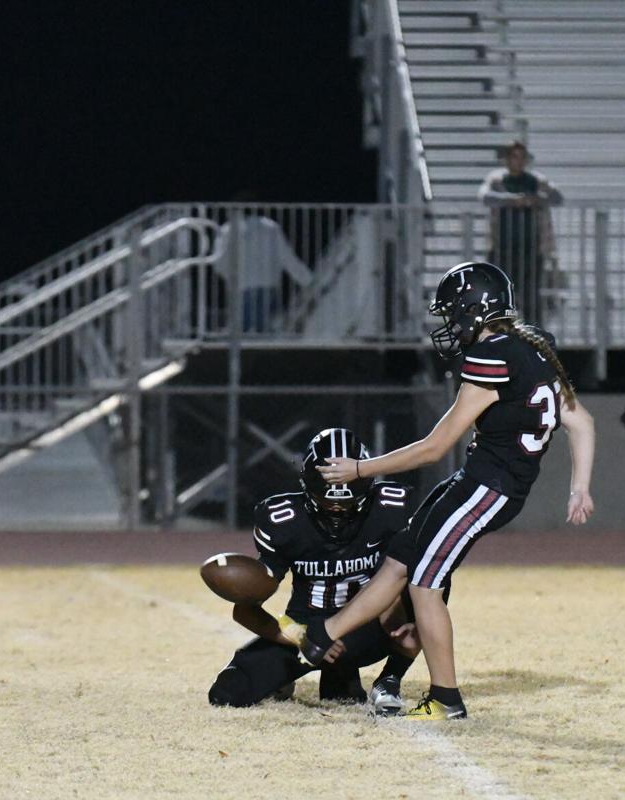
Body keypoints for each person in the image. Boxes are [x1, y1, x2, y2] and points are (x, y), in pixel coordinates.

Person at [296, 262, 596, 720]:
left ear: (475, 310)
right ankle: (324, 634)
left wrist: (359, 469)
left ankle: (446, 698)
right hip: (484, 481)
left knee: (424, 586)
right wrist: (580, 487)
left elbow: (434, 447)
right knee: (402, 556)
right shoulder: (533, 348)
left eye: (453, 314)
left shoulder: (492, 355)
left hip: (488, 487)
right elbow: (581, 420)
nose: (449, 325)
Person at [208, 428, 420, 714]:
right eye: (326, 501)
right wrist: (299, 635)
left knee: (428, 584)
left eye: (347, 503)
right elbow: (244, 610)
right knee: (227, 692)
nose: (336, 510)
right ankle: (297, 678)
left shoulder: (390, 508)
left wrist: (394, 616)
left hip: (360, 630)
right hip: (305, 628)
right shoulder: (283, 519)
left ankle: (389, 680)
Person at [477, 141, 563, 322]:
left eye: (522, 157)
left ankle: (533, 339)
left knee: (531, 297)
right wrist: (511, 200)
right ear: (507, 159)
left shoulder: (536, 180)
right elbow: (485, 197)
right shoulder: (497, 179)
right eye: (514, 157)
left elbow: (557, 197)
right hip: (502, 248)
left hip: (530, 249)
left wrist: (537, 199)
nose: (519, 161)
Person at [216, 205, 313, 333]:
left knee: (242, 329)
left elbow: (219, 260)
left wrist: (229, 277)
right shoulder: (271, 227)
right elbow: (286, 257)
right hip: (267, 284)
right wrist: (307, 279)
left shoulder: (228, 230)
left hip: (241, 285)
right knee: (263, 328)